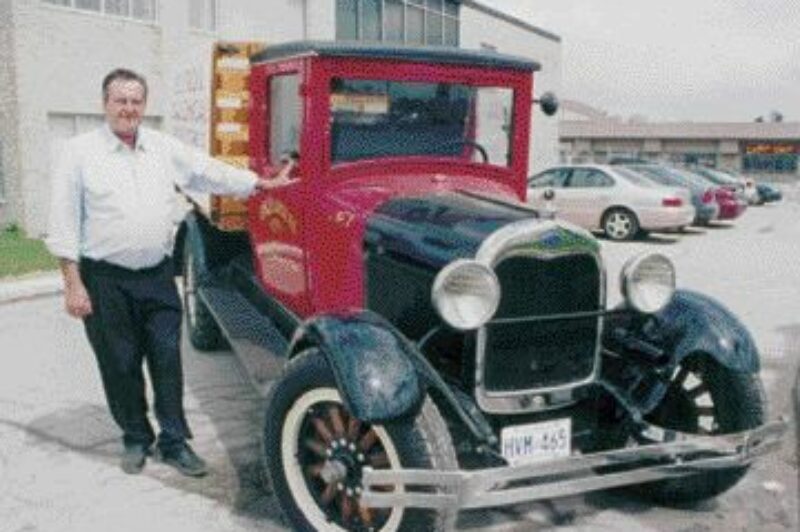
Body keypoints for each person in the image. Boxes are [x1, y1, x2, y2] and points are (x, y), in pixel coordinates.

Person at [45, 68, 293, 476]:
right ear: (104, 104)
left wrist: (258, 184)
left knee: (166, 360)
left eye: (136, 101)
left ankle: (175, 441)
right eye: (120, 100)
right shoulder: (79, 153)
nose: (129, 108)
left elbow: (207, 170)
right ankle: (136, 437)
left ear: (144, 105)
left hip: (157, 276)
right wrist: (73, 285)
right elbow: (64, 223)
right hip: (104, 281)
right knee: (120, 364)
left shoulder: (162, 147)